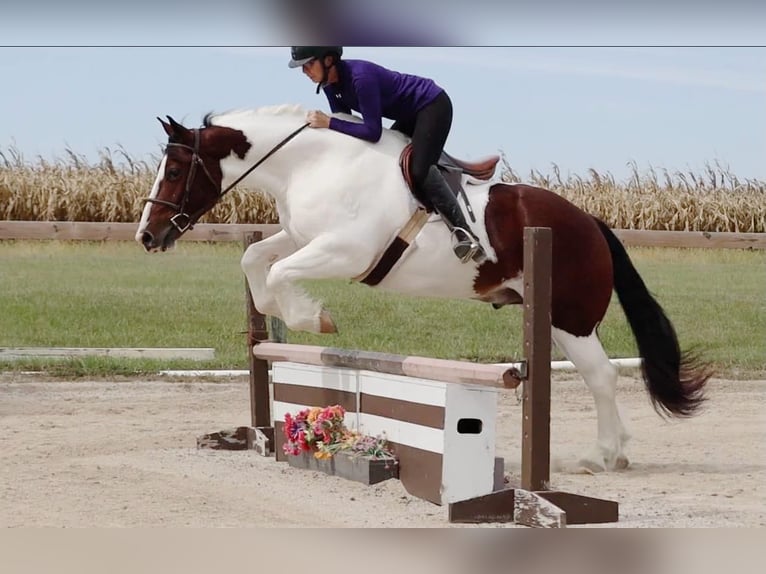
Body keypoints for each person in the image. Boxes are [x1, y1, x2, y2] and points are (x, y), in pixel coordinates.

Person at [288, 46, 486, 264]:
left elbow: (372, 132)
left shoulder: (360, 78)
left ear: (328, 60)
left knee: (419, 170)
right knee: (387, 162)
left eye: (308, 64)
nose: (305, 71)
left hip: (432, 106)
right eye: (302, 67)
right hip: (410, 114)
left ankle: (465, 234)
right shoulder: (329, 86)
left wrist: (328, 122)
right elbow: (346, 123)